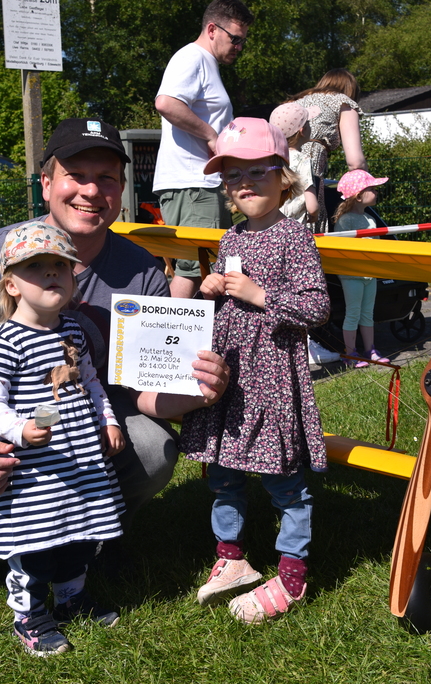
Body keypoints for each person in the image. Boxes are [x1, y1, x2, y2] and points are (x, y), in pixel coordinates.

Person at [0, 118, 230, 607]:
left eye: (107, 178)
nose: (91, 191)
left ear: (120, 189)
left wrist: (199, 391)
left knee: (153, 448)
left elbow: (141, 390)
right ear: (46, 183)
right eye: (76, 175)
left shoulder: (141, 269)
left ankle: (95, 532)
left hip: (86, 416)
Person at [181, 117, 329, 623]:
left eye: (256, 172)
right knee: (223, 471)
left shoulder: (295, 238)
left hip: (272, 378)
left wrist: (260, 295)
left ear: (283, 177)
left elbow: (317, 307)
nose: (244, 184)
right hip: (229, 375)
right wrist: (211, 289)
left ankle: (292, 575)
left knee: (284, 481)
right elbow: (227, 298)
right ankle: (232, 558)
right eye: (232, 176)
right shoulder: (231, 238)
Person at [0, 221, 125, 656]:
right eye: (36, 267)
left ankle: (72, 598)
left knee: (79, 536)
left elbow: (91, 383)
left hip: (80, 461)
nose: (52, 273)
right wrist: (20, 429)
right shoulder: (4, 341)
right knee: (35, 545)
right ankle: (30, 615)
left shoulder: (72, 331)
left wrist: (108, 421)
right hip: (36, 472)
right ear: (12, 285)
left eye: (60, 266)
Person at [153, 0, 254, 299]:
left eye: (243, 41)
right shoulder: (192, 57)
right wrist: (211, 136)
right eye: (235, 39)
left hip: (201, 185)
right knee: (195, 270)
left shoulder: (205, 63)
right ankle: (162, 331)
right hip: (194, 185)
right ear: (212, 29)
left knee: (208, 270)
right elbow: (166, 103)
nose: (239, 47)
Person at [269, 101, 338, 365]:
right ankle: (306, 346)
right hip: (294, 236)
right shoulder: (301, 158)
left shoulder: (271, 158)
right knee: (299, 291)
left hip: (269, 231)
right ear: (300, 131)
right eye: (308, 123)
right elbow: (311, 206)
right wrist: (315, 217)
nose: (310, 127)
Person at [294, 69, 368, 233]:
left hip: (279, 172)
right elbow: (355, 162)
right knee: (308, 227)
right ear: (350, 91)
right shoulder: (343, 102)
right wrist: (367, 184)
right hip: (310, 173)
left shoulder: (296, 102)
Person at [330, 170, 391, 368]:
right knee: (353, 313)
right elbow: (343, 249)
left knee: (367, 313)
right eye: (371, 188)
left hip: (368, 273)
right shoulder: (345, 221)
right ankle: (350, 353)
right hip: (352, 275)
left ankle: (370, 350)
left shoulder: (370, 219)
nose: (376, 191)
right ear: (358, 196)